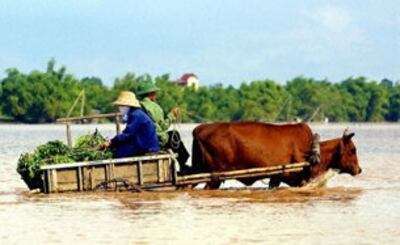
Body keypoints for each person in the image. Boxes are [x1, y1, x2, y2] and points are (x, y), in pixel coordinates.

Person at [136, 82, 190, 174]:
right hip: (155, 140)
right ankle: (183, 164)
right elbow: (163, 127)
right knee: (175, 134)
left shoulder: (137, 107)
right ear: (151, 94)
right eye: (154, 93)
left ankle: (182, 164)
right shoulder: (154, 107)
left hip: (141, 140)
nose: (156, 96)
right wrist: (171, 115)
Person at [104, 91, 160, 158]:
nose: (119, 108)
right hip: (146, 144)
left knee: (118, 152)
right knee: (120, 147)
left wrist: (111, 142)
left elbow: (127, 135)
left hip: (147, 147)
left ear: (127, 106)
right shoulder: (135, 113)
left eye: (121, 105)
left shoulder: (135, 115)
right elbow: (128, 132)